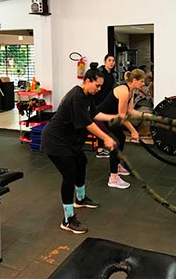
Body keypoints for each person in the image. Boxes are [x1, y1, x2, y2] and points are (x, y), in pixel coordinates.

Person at [41, 69, 123, 234]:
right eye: (97, 85)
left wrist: (114, 117)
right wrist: (106, 137)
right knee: (69, 174)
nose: (99, 89)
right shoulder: (76, 96)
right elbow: (88, 123)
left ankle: (80, 198)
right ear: (87, 81)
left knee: (81, 162)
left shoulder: (87, 95)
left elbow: (95, 114)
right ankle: (68, 219)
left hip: (69, 140)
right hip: (55, 141)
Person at [96, 68, 146, 189]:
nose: (143, 84)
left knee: (121, 137)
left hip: (110, 119)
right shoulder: (124, 91)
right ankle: (113, 178)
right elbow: (122, 117)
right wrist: (133, 131)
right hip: (99, 118)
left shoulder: (131, 91)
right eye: (142, 81)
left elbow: (131, 111)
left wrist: (147, 116)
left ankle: (117, 165)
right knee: (115, 143)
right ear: (134, 80)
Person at [93, 54, 117, 158]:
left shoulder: (112, 75)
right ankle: (99, 150)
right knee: (100, 126)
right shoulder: (100, 73)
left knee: (107, 126)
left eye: (113, 61)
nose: (111, 62)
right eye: (109, 60)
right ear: (105, 61)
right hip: (98, 103)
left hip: (107, 104)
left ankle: (106, 146)